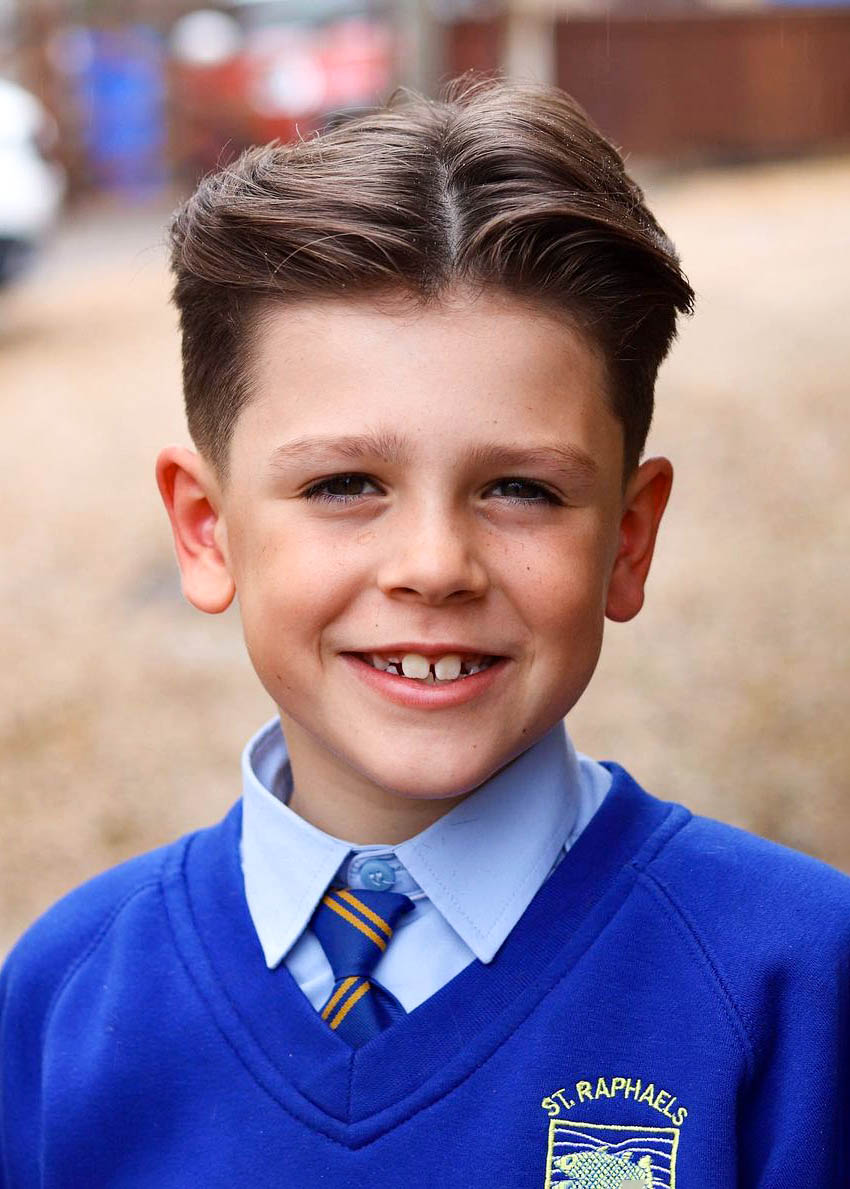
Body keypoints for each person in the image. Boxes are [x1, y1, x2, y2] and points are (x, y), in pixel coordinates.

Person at [1, 75, 847, 1187]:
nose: (435, 567)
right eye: (347, 482)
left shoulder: (799, 980)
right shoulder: (65, 993)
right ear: (207, 531)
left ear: (628, 541)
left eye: (521, 489)